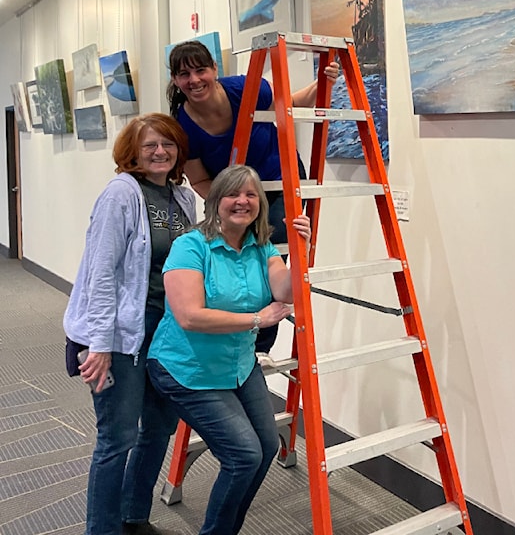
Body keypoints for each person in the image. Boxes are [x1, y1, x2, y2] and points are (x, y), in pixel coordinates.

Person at [146, 165, 311, 535]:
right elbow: (189, 316)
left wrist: (301, 250)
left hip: (237, 364)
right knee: (243, 455)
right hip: (187, 368)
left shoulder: (262, 245)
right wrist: (257, 320)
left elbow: (285, 293)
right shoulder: (191, 245)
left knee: (267, 448)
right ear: (215, 201)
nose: (242, 201)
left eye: (251, 194)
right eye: (233, 194)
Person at [63, 113, 197, 535]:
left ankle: (133, 517)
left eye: (168, 145)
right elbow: (100, 274)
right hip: (120, 337)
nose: (160, 152)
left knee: (158, 430)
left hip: (166, 333)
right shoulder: (121, 194)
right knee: (116, 437)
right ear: (132, 153)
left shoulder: (183, 197)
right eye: (149, 145)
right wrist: (99, 345)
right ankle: (101, 529)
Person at [166, 41, 337, 354]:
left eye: (200, 70)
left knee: (268, 252)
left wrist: (321, 83)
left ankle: (258, 347)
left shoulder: (246, 89)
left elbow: (289, 104)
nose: (194, 80)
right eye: (184, 74)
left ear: (215, 69)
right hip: (231, 198)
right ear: (175, 80)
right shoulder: (184, 125)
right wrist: (231, 203)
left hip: (279, 181)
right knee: (232, 261)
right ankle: (229, 333)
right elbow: (201, 179)